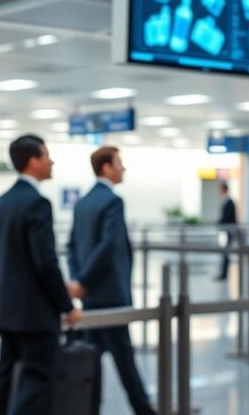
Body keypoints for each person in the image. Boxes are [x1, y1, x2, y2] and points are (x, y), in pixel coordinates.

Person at [0, 134, 82, 415]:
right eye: (47, 156)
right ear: (33, 161)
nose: (52, 162)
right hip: (35, 314)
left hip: (5, 310)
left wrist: (5, 286)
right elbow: (45, 262)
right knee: (36, 379)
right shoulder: (37, 203)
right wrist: (66, 305)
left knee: (5, 377)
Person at [67, 146, 154, 415]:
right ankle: (144, 411)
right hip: (110, 294)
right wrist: (85, 280)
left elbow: (71, 246)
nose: (123, 168)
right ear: (106, 167)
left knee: (91, 357)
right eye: (119, 163)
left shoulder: (82, 202)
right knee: (124, 358)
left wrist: (79, 281)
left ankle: (88, 409)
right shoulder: (113, 201)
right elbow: (106, 246)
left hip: (90, 295)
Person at [215, 182, 238, 281]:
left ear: (225, 190)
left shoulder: (230, 202)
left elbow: (229, 217)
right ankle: (223, 274)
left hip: (229, 230)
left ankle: (224, 274)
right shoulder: (225, 201)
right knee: (225, 252)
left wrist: (220, 221)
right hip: (225, 230)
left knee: (226, 252)